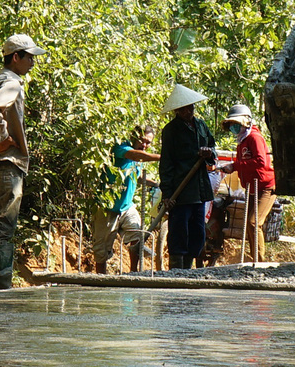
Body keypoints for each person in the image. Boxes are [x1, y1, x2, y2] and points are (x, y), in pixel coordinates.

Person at [0, 34, 42, 290]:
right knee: (3, 227)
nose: (32, 63)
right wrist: (3, 139)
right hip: (7, 163)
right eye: (30, 57)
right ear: (16, 57)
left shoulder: (0, 80)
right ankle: (0, 289)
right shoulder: (12, 83)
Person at [158, 84, 218, 269]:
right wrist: (167, 193)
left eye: (190, 107)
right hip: (180, 190)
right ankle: (176, 269)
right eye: (183, 109)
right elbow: (166, 163)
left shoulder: (201, 126)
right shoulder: (171, 131)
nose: (188, 111)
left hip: (199, 189)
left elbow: (212, 148)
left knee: (198, 232)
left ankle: (188, 268)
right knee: (179, 230)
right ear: (177, 110)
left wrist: (209, 153)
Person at [219, 104, 276, 264]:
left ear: (245, 122)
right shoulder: (242, 141)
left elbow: (260, 161)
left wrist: (235, 166)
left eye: (236, 124)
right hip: (252, 187)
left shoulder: (254, 138)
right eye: (231, 125)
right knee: (248, 225)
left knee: (253, 222)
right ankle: (254, 261)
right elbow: (243, 161)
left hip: (265, 187)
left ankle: (259, 262)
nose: (233, 127)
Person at [99, 125, 158, 273]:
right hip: (107, 206)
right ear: (133, 137)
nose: (144, 145)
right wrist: (165, 157)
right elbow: (137, 156)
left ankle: (133, 273)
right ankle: (100, 279)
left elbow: (135, 177)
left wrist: (155, 184)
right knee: (101, 251)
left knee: (137, 234)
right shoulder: (121, 148)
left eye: (148, 143)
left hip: (127, 206)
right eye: (142, 140)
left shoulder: (137, 156)